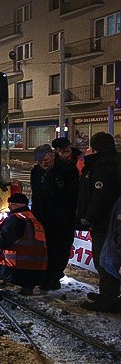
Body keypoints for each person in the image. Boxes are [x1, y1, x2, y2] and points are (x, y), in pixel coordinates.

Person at [77, 132, 121, 313]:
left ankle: (108, 299)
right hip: (112, 221)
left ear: (95, 148)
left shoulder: (104, 165)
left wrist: (89, 217)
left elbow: (99, 196)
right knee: (109, 260)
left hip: (105, 223)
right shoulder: (114, 161)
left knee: (103, 261)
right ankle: (108, 295)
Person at [30, 143, 78, 291]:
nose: (43, 163)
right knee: (45, 248)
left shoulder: (67, 169)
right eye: (39, 161)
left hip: (61, 218)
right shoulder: (36, 171)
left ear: (51, 155)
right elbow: (36, 193)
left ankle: (54, 277)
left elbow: (73, 194)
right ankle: (44, 276)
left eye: (45, 160)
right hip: (42, 216)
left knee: (59, 248)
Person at [0, 193, 47, 296]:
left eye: (11, 204)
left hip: (14, 271)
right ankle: (28, 287)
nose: (9, 207)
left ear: (17, 204)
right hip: (37, 273)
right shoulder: (34, 219)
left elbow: (1, 243)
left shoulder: (16, 219)